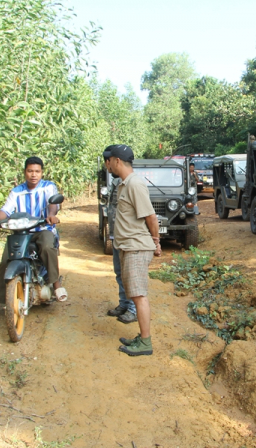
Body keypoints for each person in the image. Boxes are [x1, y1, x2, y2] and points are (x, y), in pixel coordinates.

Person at [0, 157, 66, 319]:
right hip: (21, 233)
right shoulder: (16, 191)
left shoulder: (48, 187)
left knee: (48, 246)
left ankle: (56, 284)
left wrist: (51, 216)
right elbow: (6, 211)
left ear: (42, 172)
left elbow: (53, 205)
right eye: (30, 171)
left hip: (43, 228)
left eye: (37, 171)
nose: (33, 175)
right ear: (24, 172)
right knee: (5, 261)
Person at [106, 144, 162, 356]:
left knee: (139, 296)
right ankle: (142, 336)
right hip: (128, 247)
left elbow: (151, 217)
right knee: (136, 294)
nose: (108, 164)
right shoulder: (123, 184)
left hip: (136, 248)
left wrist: (156, 242)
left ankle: (146, 343)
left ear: (117, 161)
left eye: (110, 160)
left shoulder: (135, 184)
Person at [102, 146, 137, 324]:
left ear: (114, 161)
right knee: (119, 273)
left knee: (129, 274)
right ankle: (124, 304)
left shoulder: (131, 183)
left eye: (108, 163)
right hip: (116, 234)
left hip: (127, 237)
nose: (107, 167)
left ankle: (132, 309)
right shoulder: (116, 183)